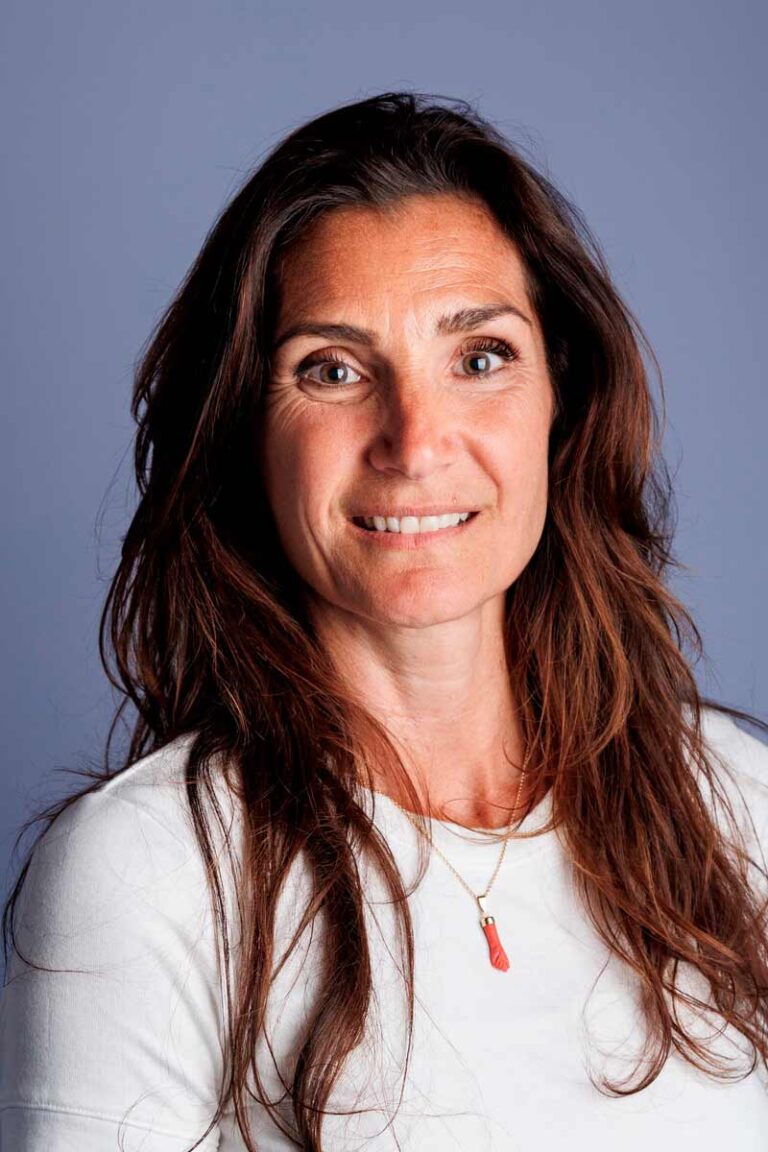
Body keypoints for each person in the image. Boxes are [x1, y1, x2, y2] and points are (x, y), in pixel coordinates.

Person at [1, 90, 767, 1152]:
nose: (414, 440)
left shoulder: (738, 807)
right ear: (245, 432)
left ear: (562, 400)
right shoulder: (144, 876)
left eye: (480, 357)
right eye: (333, 370)